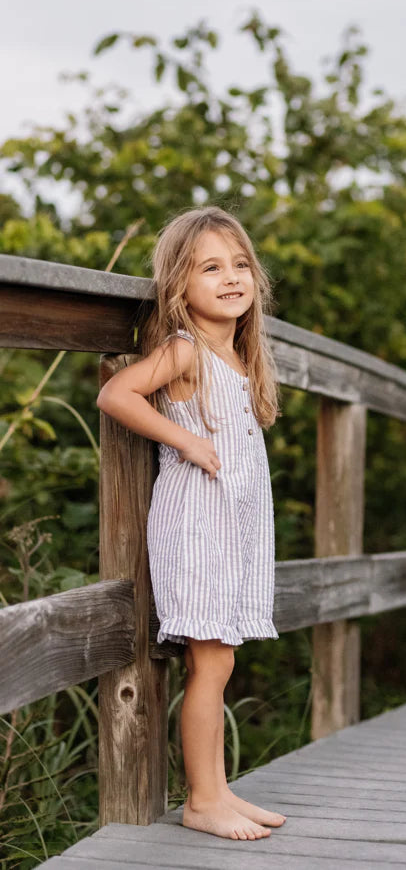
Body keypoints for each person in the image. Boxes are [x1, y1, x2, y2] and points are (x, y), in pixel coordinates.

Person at [97, 206, 286, 841]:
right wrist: (186, 439)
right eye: (211, 268)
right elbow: (116, 394)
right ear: (181, 287)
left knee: (221, 661)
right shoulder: (187, 349)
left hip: (228, 527)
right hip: (197, 527)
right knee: (210, 664)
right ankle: (202, 801)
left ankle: (220, 790)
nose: (231, 278)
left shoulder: (237, 356)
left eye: (240, 265)